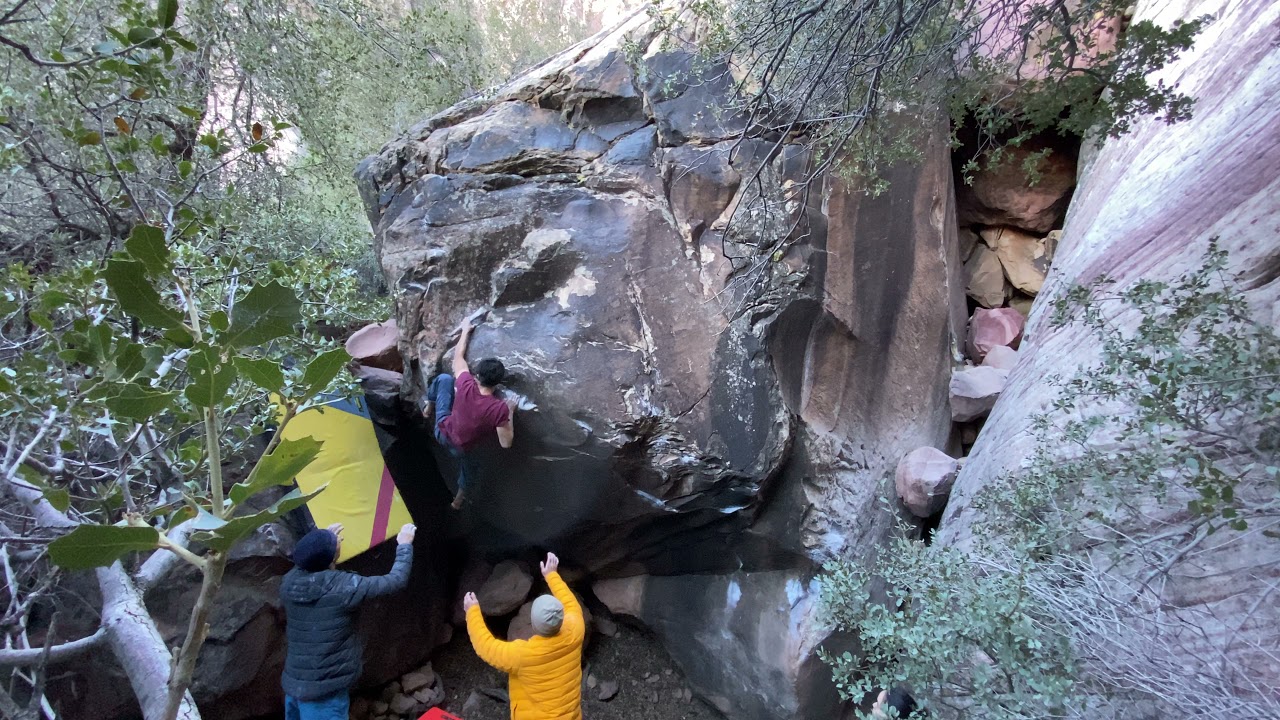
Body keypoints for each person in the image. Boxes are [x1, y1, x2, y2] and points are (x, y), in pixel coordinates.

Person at [280, 522, 416, 720]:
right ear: (330, 559)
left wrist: (323, 540)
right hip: (325, 694)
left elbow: (306, 559)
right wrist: (404, 545)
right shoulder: (344, 587)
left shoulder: (288, 583)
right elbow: (395, 580)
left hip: (295, 686)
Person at [463, 552, 585, 720]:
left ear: (533, 624)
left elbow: (486, 647)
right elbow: (571, 604)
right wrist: (552, 575)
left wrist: (472, 612)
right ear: (562, 617)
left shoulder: (523, 655)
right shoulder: (576, 629)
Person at [425, 312, 515, 509]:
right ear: (497, 383)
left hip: (442, 431)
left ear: (477, 375)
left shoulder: (466, 383)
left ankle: (429, 406)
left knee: (443, 379)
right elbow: (506, 443)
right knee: (471, 466)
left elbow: (458, 357)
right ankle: (458, 500)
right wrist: (510, 411)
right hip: (461, 448)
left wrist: (465, 330)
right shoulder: (498, 408)